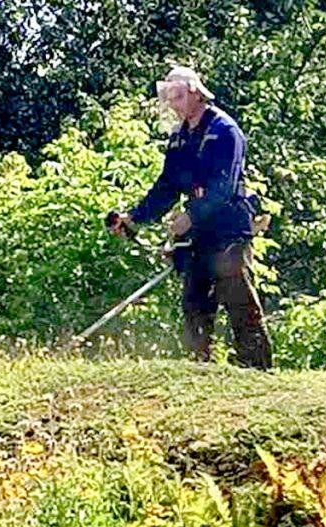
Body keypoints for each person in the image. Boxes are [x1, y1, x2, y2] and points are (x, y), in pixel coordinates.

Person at [108, 65, 273, 369]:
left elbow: (223, 187)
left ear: (196, 93)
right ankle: (199, 368)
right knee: (194, 303)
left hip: (227, 227)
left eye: (179, 97)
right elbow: (167, 186)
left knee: (238, 299)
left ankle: (258, 371)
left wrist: (191, 216)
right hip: (197, 234)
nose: (173, 104)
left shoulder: (225, 131)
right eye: (170, 98)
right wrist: (135, 217)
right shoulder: (179, 137)